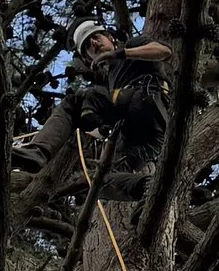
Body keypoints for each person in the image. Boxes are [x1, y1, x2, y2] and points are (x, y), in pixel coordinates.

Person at [69, 18, 175, 175]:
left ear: (110, 37)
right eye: (87, 46)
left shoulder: (132, 45)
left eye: (97, 37)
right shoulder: (110, 82)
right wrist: (102, 127)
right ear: (87, 58)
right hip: (146, 136)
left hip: (149, 102)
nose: (94, 43)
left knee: (90, 96)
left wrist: (121, 54)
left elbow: (164, 52)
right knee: (115, 173)